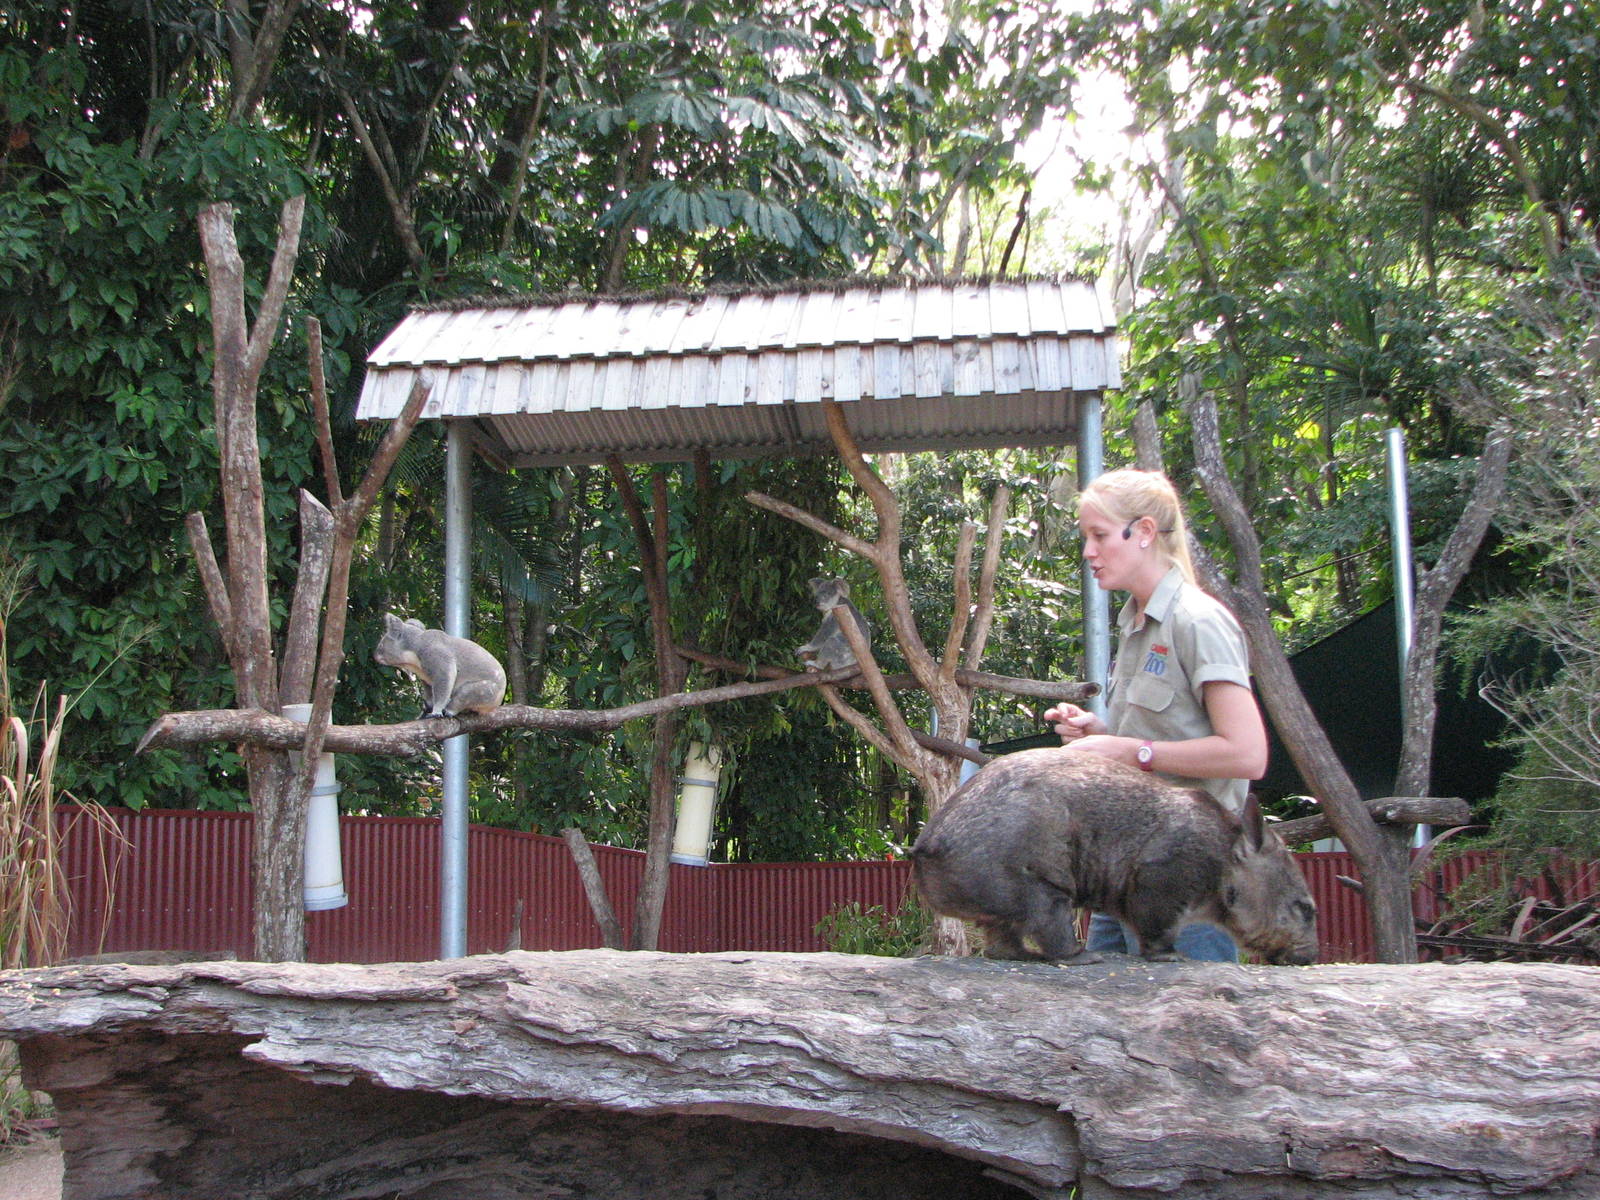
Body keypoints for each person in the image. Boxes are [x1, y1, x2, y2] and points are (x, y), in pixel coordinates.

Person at [1042, 468, 1268, 962]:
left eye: (1099, 536)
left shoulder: (1198, 620)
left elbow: (1249, 754)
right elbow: (1162, 737)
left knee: (1191, 1030)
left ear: (1143, 532)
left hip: (1189, 878)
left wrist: (1130, 750)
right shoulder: (1135, 624)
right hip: (1122, 869)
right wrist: (1101, 732)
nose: (1088, 552)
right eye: (1086, 537)